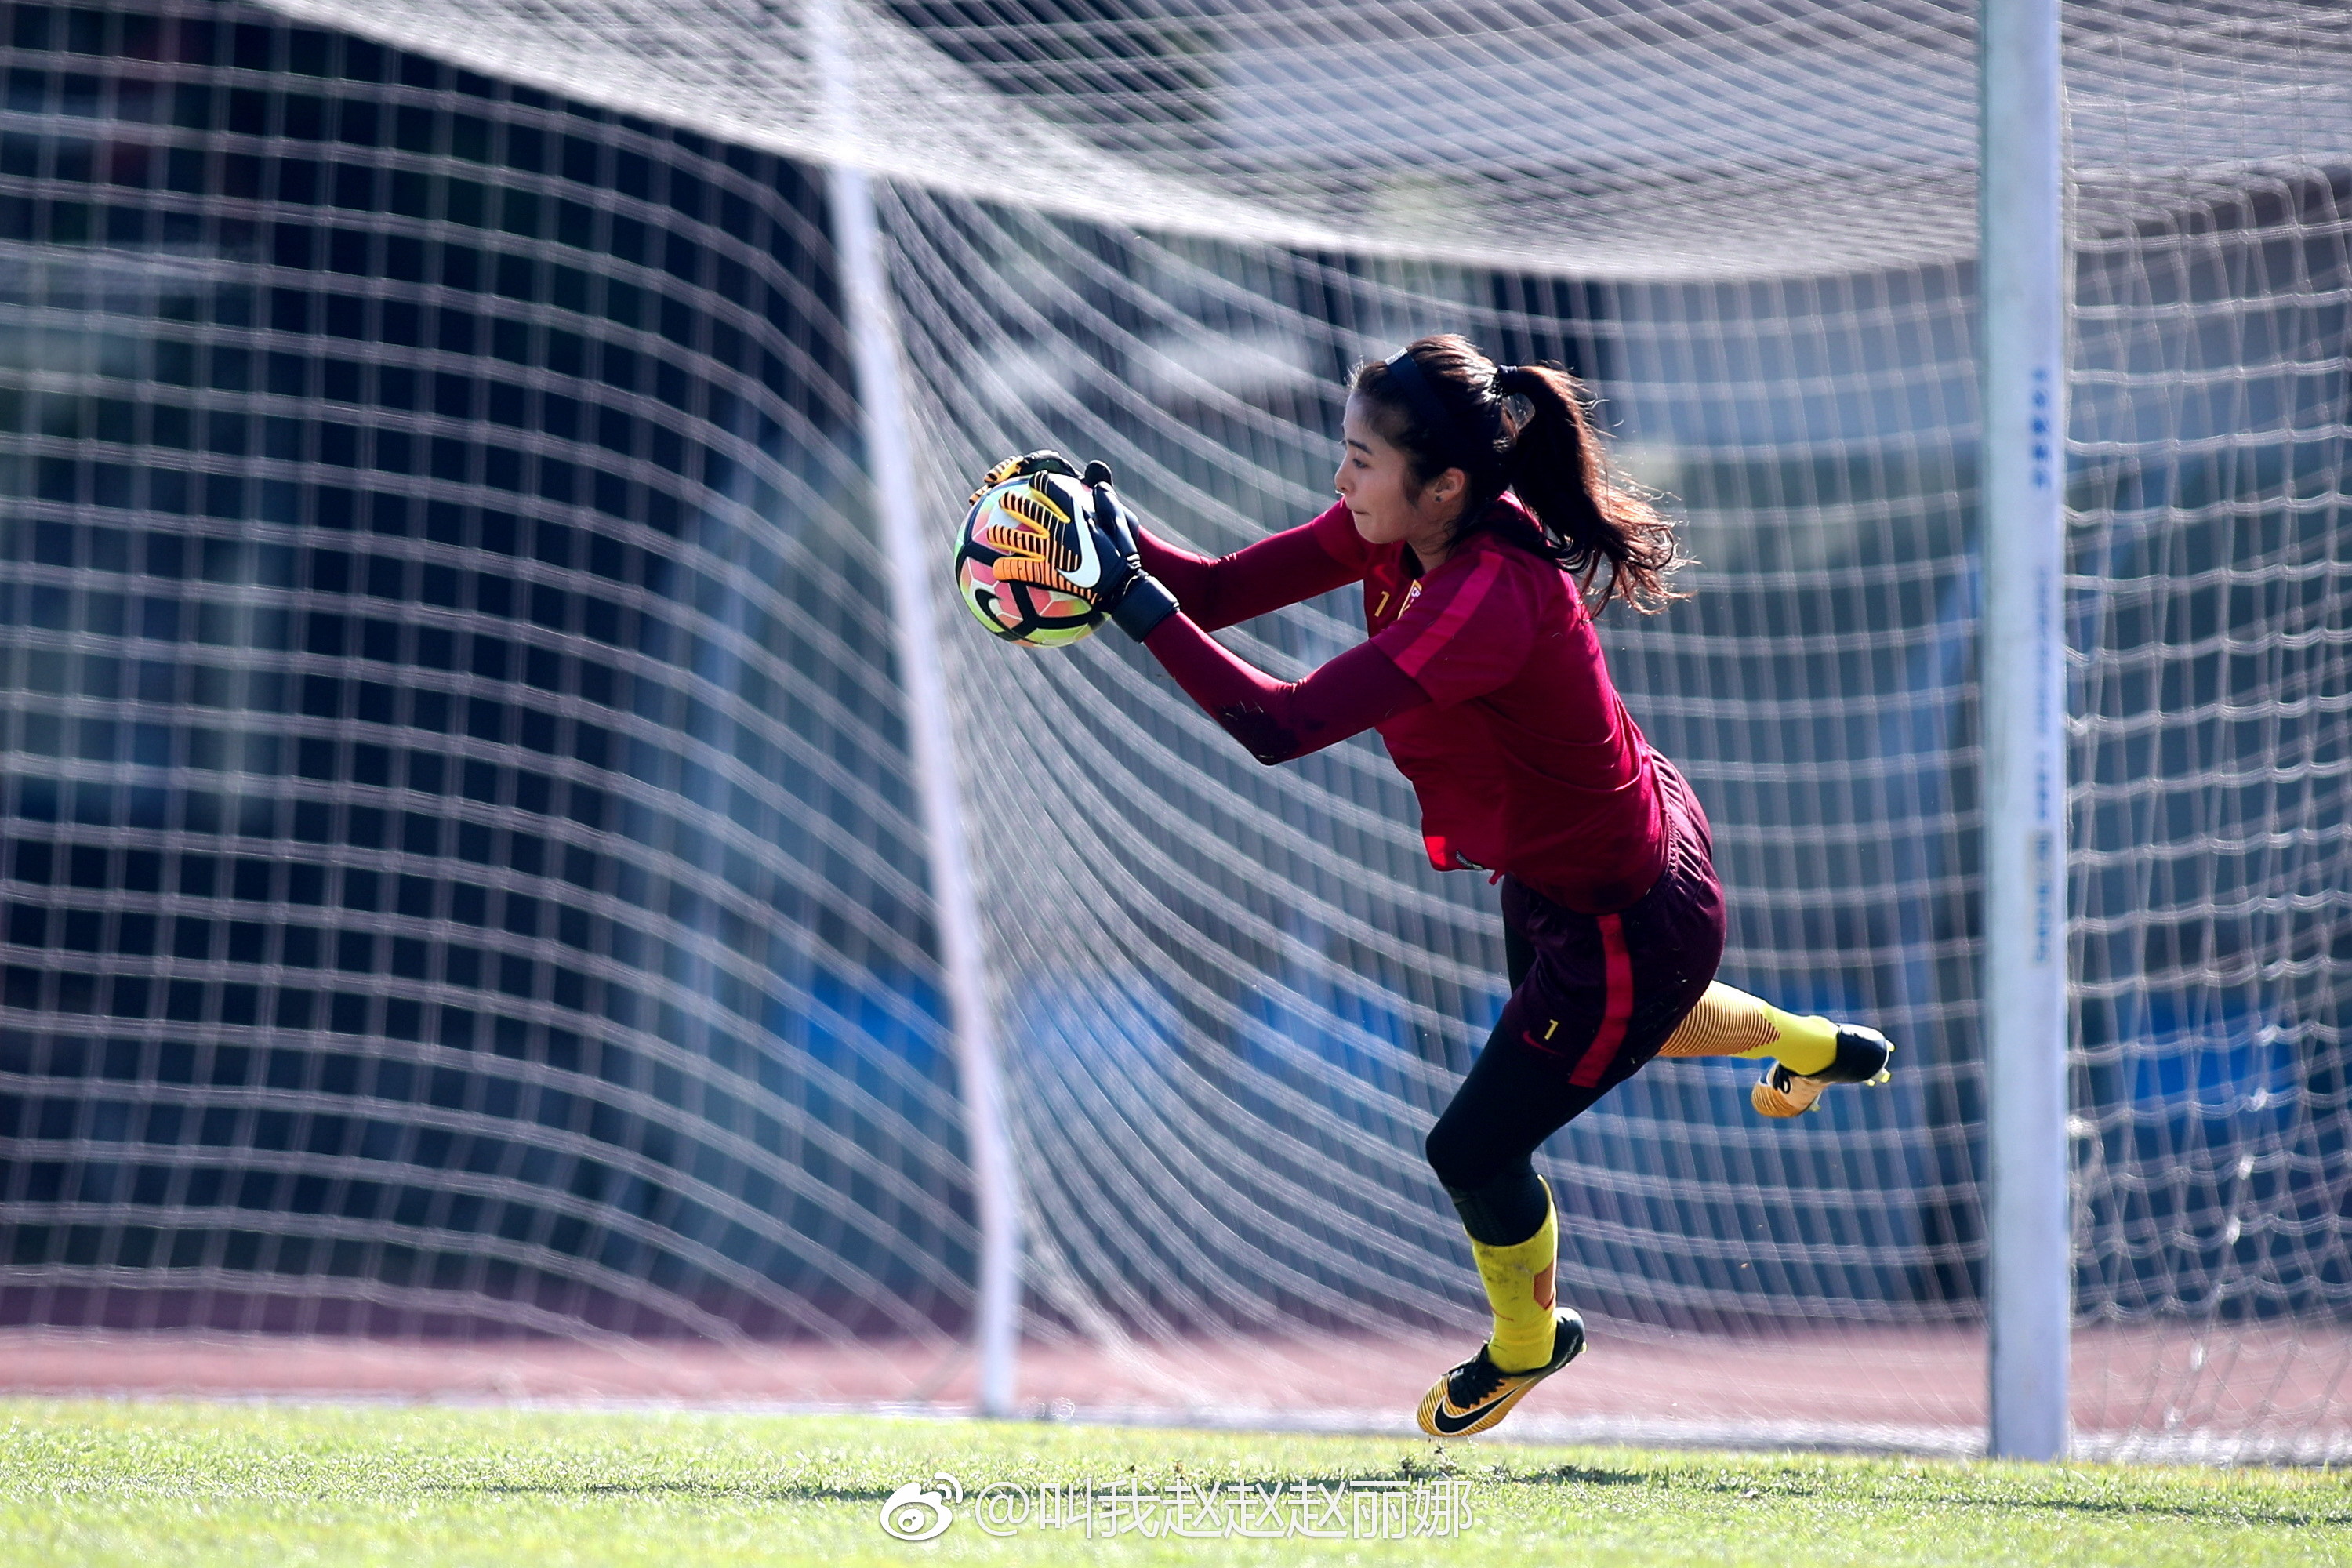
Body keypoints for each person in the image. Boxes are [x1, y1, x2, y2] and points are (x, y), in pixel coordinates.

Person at [975, 333, 1892, 1436]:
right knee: (1625, 1025)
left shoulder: (1488, 595)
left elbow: (1280, 724)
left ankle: (1527, 1343)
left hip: (1624, 915)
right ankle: (1797, 1039)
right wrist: (1112, 539)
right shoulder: (1403, 529)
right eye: (1345, 452)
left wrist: (1125, 599)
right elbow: (1214, 594)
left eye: (1360, 460)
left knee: (1472, 1148)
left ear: (1445, 482)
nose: (1340, 480)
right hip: (1593, 875)